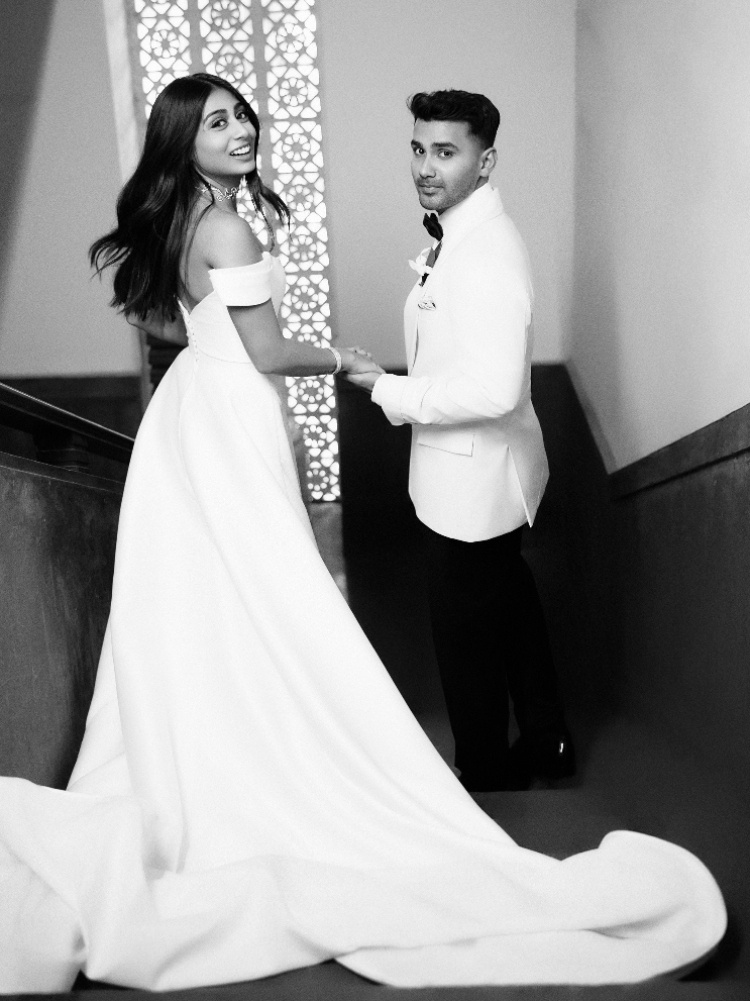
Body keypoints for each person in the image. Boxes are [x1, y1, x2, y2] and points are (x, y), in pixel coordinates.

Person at [0, 75, 725, 992]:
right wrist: (341, 361)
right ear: (183, 140)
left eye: (239, 114)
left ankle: (226, 747)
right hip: (233, 409)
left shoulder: (183, 219)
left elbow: (168, 319)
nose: (239, 129)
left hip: (192, 412)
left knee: (205, 597)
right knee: (268, 588)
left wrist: (215, 349)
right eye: (215, 121)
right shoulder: (226, 225)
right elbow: (267, 352)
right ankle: (282, 748)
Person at [351, 90, 573, 793]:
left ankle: (487, 771)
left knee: (466, 642)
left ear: (486, 161)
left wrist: (387, 389)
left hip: (472, 488)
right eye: (418, 148)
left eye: (445, 152)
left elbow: (495, 390)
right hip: (467, 475)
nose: (425, 165)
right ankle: (548, 742)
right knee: (509, 608)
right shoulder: (461, 235)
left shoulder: (488, 252)